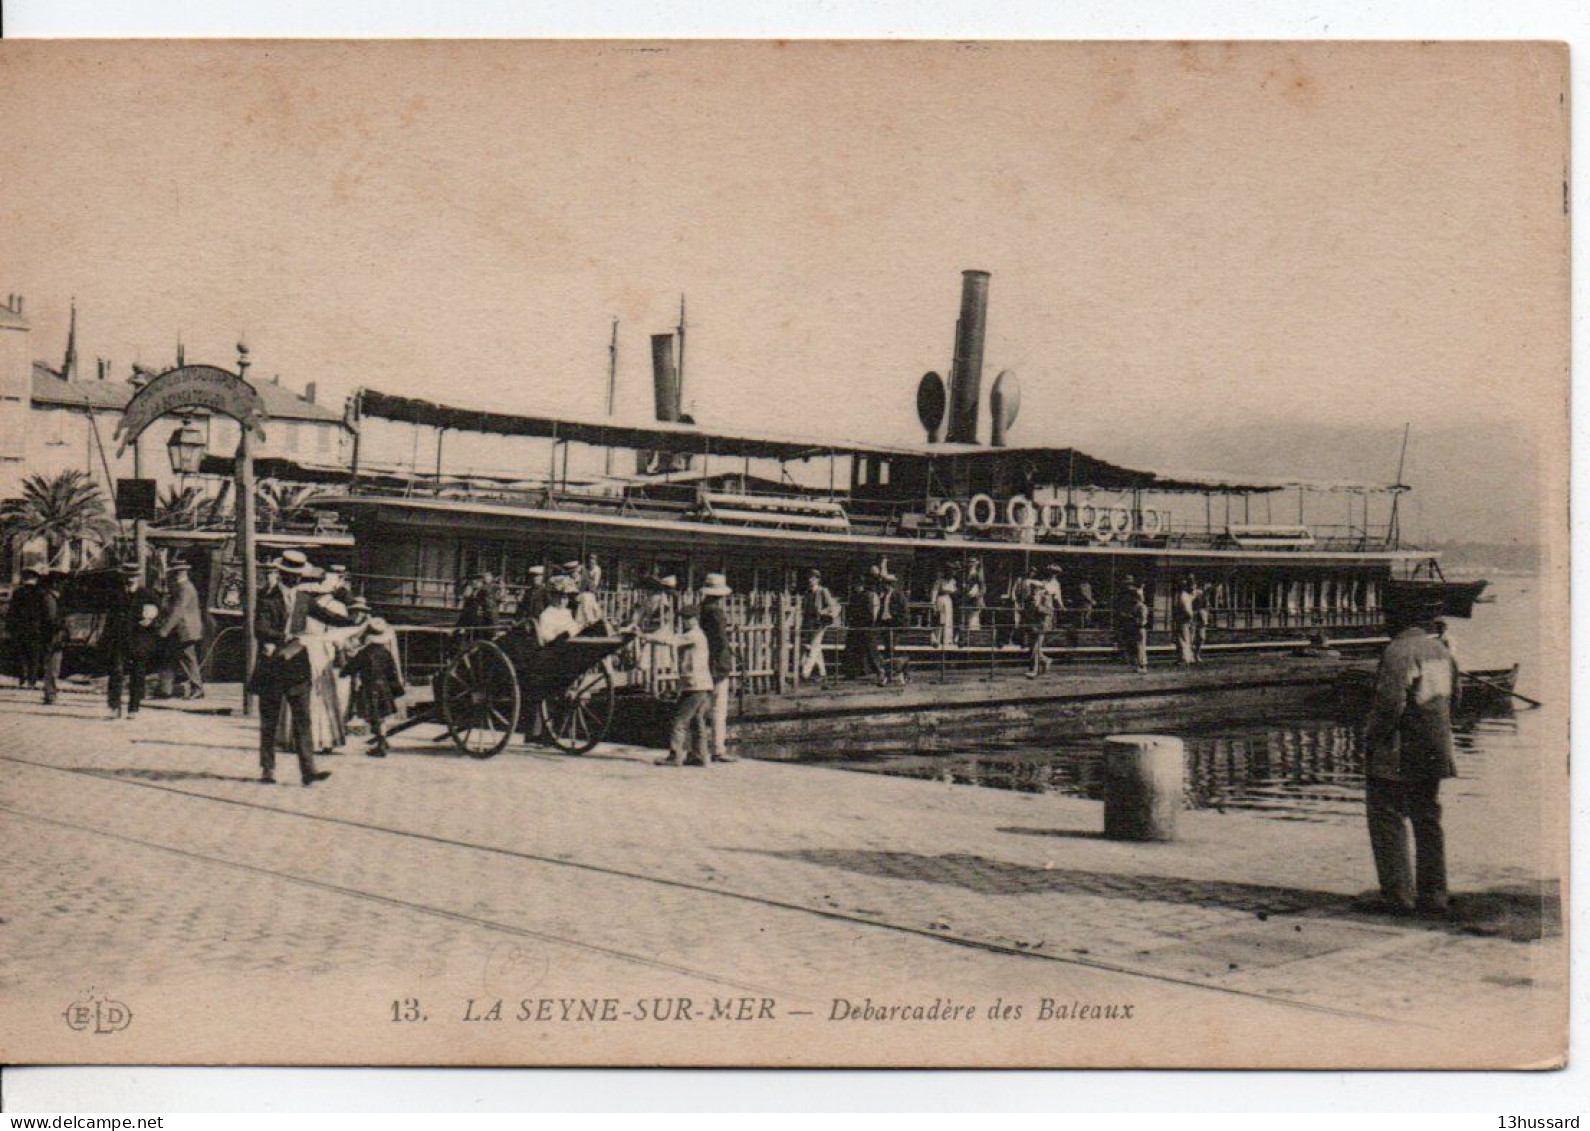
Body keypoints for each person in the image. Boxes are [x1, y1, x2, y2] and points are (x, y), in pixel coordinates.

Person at [1363, 604, 1461, 915]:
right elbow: (1456, 697)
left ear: (1396, 621)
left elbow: (1391, 705)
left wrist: (1370, 736)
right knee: (1428, 819)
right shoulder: (1441, 651)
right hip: (1434, 748)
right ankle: (1434, 894)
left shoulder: (1398, 650)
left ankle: (1398, 895)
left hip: (1400, 749)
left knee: (1387, 816)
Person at [251, 551, 343, 787]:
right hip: (272, 666)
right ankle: (267, 769)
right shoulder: (266, 597)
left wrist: (355, 620)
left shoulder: (304, 599)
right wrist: (286, 636)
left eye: (298, 576)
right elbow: (260, 629)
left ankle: (308, 770)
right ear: (282, 574)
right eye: (290, 575)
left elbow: (327, 616)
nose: (294, 580)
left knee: (303, 720)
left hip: (298, 668)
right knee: (269, 720)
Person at [649, 602, 713, 767]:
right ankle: (699, 756)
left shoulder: (693, 635)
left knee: (679, 721)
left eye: (686, 618)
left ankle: (674, 756)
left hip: (694, 685)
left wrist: (645, 636)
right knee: (697, 721)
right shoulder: (698, 634)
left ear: (694, 619)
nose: (683, 621)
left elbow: (670, 640)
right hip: (703, 685)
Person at [345, 616, 404, 758]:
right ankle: (382, 741)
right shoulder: (386, 653)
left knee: (374, 717)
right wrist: (396, 689)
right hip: (384, 688)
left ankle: (381, 744)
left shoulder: (364, 653)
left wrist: (344, 670)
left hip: (369, 688)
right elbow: (392, 672)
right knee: (381, 717)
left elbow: (350, 668)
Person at [105, 561, 154, 719]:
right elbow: (109, 618)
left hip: (139, 640)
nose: (130, 579)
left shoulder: (147, 595)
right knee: (116, 672)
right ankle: (114, 706)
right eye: (128, 576)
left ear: (139, 577)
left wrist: (151, 621)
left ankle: (134, 708)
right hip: (119, 638)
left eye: (133, 576)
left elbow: (158, 614)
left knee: (137, 675)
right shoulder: (115, 594)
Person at [698, 572, 738, 761]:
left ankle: (698, 747)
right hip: (717, 663)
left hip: (702, 660)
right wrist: (727, 659)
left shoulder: (701, 609)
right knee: (718, 708)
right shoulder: (716, 612)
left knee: (701, 706)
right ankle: (718, 749)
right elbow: (721, 641)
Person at [157, 559, 205, 700]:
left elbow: (178, 610)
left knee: (187, 659)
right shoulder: (182, 587)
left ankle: (197, 688)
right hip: (183, 629)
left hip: (185, 629)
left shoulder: (184, 588)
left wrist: (165, 629)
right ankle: (167, 689)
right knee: (176, 658)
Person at [7, 566, 47, 689]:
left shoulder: (18, 592)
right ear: (35, 579)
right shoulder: (41, 593)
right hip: (36, 629)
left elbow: (12, 612)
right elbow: (45, 612)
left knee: (21, 654)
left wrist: (10, 627)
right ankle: (32, 680)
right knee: (34, 655)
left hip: (20, 628)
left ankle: (22, 678)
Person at [800, 569, 840, 682]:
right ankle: (822, 673)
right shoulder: (807, 593)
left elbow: (831, 606)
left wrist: (823, 611)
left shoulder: (823, 591)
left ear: (818, 579)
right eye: (809, 577)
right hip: (810, 624)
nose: (810, 580)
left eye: (813, 578)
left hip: (821, 623)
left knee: (814, 646)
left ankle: (805, 673)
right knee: (816, 647)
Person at [843, 573, 881, 681]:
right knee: (852, 650)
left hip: (865, 627)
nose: (856, 587)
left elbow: (869, 613)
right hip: (856, 626)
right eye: (855, 585)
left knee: (871, 651)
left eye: (858, 585)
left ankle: (879, 671)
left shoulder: (867, 595)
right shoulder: (854, 596)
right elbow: (850, 610)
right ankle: (852, 672)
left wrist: (866, 623)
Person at [873, 564, 906, 685]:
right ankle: (891, 674)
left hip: (893, 625)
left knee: (891, 649)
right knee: (887, 649)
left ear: (891, 584)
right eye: (885, 584)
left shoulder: (898, 595)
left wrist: (900, 625)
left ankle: (895, 674)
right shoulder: (883, 596)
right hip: (885, 624)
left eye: (887, 584)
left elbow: (904, 611)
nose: (885, 586)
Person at [1023, 567, 1055, 678]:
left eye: (1036, 589)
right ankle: (1046, 660)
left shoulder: (1046, 597)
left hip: (1041, 624)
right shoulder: (1031, 598)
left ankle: (1034, 671)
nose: (1034, 591)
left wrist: (1038, 607)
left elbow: (1049, 611)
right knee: (1033, 648)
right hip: (1033, 624)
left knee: (1036, 647)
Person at [1115, 576, 1150, 674]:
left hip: (1139, 628)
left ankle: (1142, 665)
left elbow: (1142, 621)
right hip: (1134, 628)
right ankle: (1138, 665)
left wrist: (1130, 617)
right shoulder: (1134, 606)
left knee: (1140, 647)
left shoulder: (1141, 607)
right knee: (1136, 647)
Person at [1172, 576, 1199, 666]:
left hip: (1183, 620)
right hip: (1185, 620)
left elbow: (1186, 609)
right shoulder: (1184, 595)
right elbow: (1192, 597)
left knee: (1183, 639)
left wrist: (1189, 616)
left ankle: (1184, 659)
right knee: (1187, 639)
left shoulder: (1182, 596)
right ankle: (1188, 658)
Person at [961, 558, 986, 640]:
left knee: (974, 618)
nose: (971, 565)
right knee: (969, 618)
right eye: (970, 563)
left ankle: (974, 637)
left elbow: (983, 588)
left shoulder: (977, 574)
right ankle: (969, 637)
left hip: (975, 599)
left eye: (972, 563)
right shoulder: (968, 574)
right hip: (969, 599)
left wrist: (978, 595)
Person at [931, 575, 957, 649]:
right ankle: (937, 640)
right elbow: (934, 591)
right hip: (940, 600)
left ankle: (947, 640)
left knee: (948, 620)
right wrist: (933, 603)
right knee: (941, 620)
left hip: (948, 600)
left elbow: (954, 590)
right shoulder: (939, 580)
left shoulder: (952, 581)